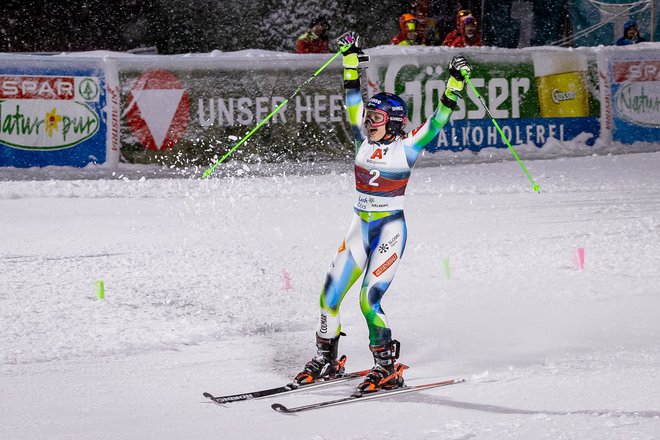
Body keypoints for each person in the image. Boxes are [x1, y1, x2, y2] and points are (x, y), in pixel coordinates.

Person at [294, 31, 472, 394]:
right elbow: (352, 100)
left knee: (368, 299)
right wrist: (349, 61)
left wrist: (454, 83)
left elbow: (437, 120)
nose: (368, 121)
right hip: (360, 225)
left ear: (392, 123)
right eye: (369, 116)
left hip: (390, 231)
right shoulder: (362, 139)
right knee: (328, 297)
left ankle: (387, 368)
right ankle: (327, 359)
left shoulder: (407, 148)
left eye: (376, 117)